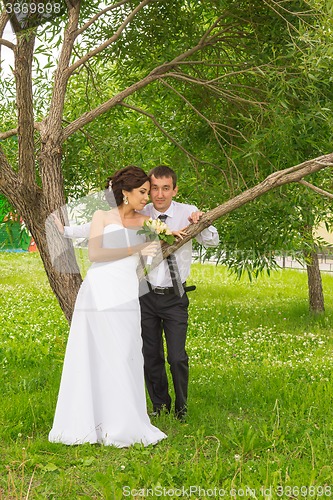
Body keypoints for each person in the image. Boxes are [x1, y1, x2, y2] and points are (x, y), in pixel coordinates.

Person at [55, 165, 219, 421]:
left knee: (176, 357)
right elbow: (97, 228)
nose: (157, 194)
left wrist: (202, 221)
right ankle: (159, 405)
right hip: (143, 294)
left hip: (175, 295)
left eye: (165, 188)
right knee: (149, 355)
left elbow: (211, 240)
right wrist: (65, 231)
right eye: (152, 189)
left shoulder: (185, 213)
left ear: (175, 189)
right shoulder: (142, 212)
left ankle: (181, 408)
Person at [49, 166, 167, 447]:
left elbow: (152, 259)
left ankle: (124, 423)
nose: (147, 198)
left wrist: (155, 249)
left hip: (126, 291)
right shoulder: (101, 216)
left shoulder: (147, 222)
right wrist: (136, 249)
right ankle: (91, 422)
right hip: (100, 289)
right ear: (125, 193)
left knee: (126, 351)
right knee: (96, 353)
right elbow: (95, 253)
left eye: (148, 193)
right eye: (142, 192)